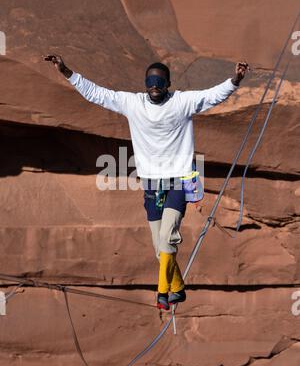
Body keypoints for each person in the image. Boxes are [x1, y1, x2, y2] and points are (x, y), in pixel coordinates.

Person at [44, 54, 249, 310]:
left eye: (159, 81)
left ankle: (162, 291)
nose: (154, 85)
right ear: (145, 83)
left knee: (167, 237)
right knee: (158, 246)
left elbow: (211, 95)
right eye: (150, 81)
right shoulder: (133, 103)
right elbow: (98, 94)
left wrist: (235, 80)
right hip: (151, 182)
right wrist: (66, 71)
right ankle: (177, 287)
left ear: (168, 84)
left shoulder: (182, 102)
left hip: (179, 179)